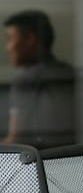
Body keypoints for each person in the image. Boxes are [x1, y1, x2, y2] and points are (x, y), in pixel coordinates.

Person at [2, 9, 76, 148]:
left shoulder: (26, 81)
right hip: (73, 158)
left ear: (30, 39)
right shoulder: (69, 73)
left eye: (10, 39)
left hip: (41, 158)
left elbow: (16, 139)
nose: (7, 48)